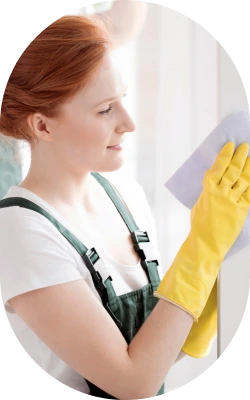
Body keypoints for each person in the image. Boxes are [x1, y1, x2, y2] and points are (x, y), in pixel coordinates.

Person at [0, 14, 250, 400]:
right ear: (43, 127)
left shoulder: (126, 196)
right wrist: (204, 246)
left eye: (123, 101)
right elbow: (132, 382)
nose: (129, 123)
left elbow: (155, 355)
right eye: (105, 110)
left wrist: (217, 277)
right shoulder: (19, 231)